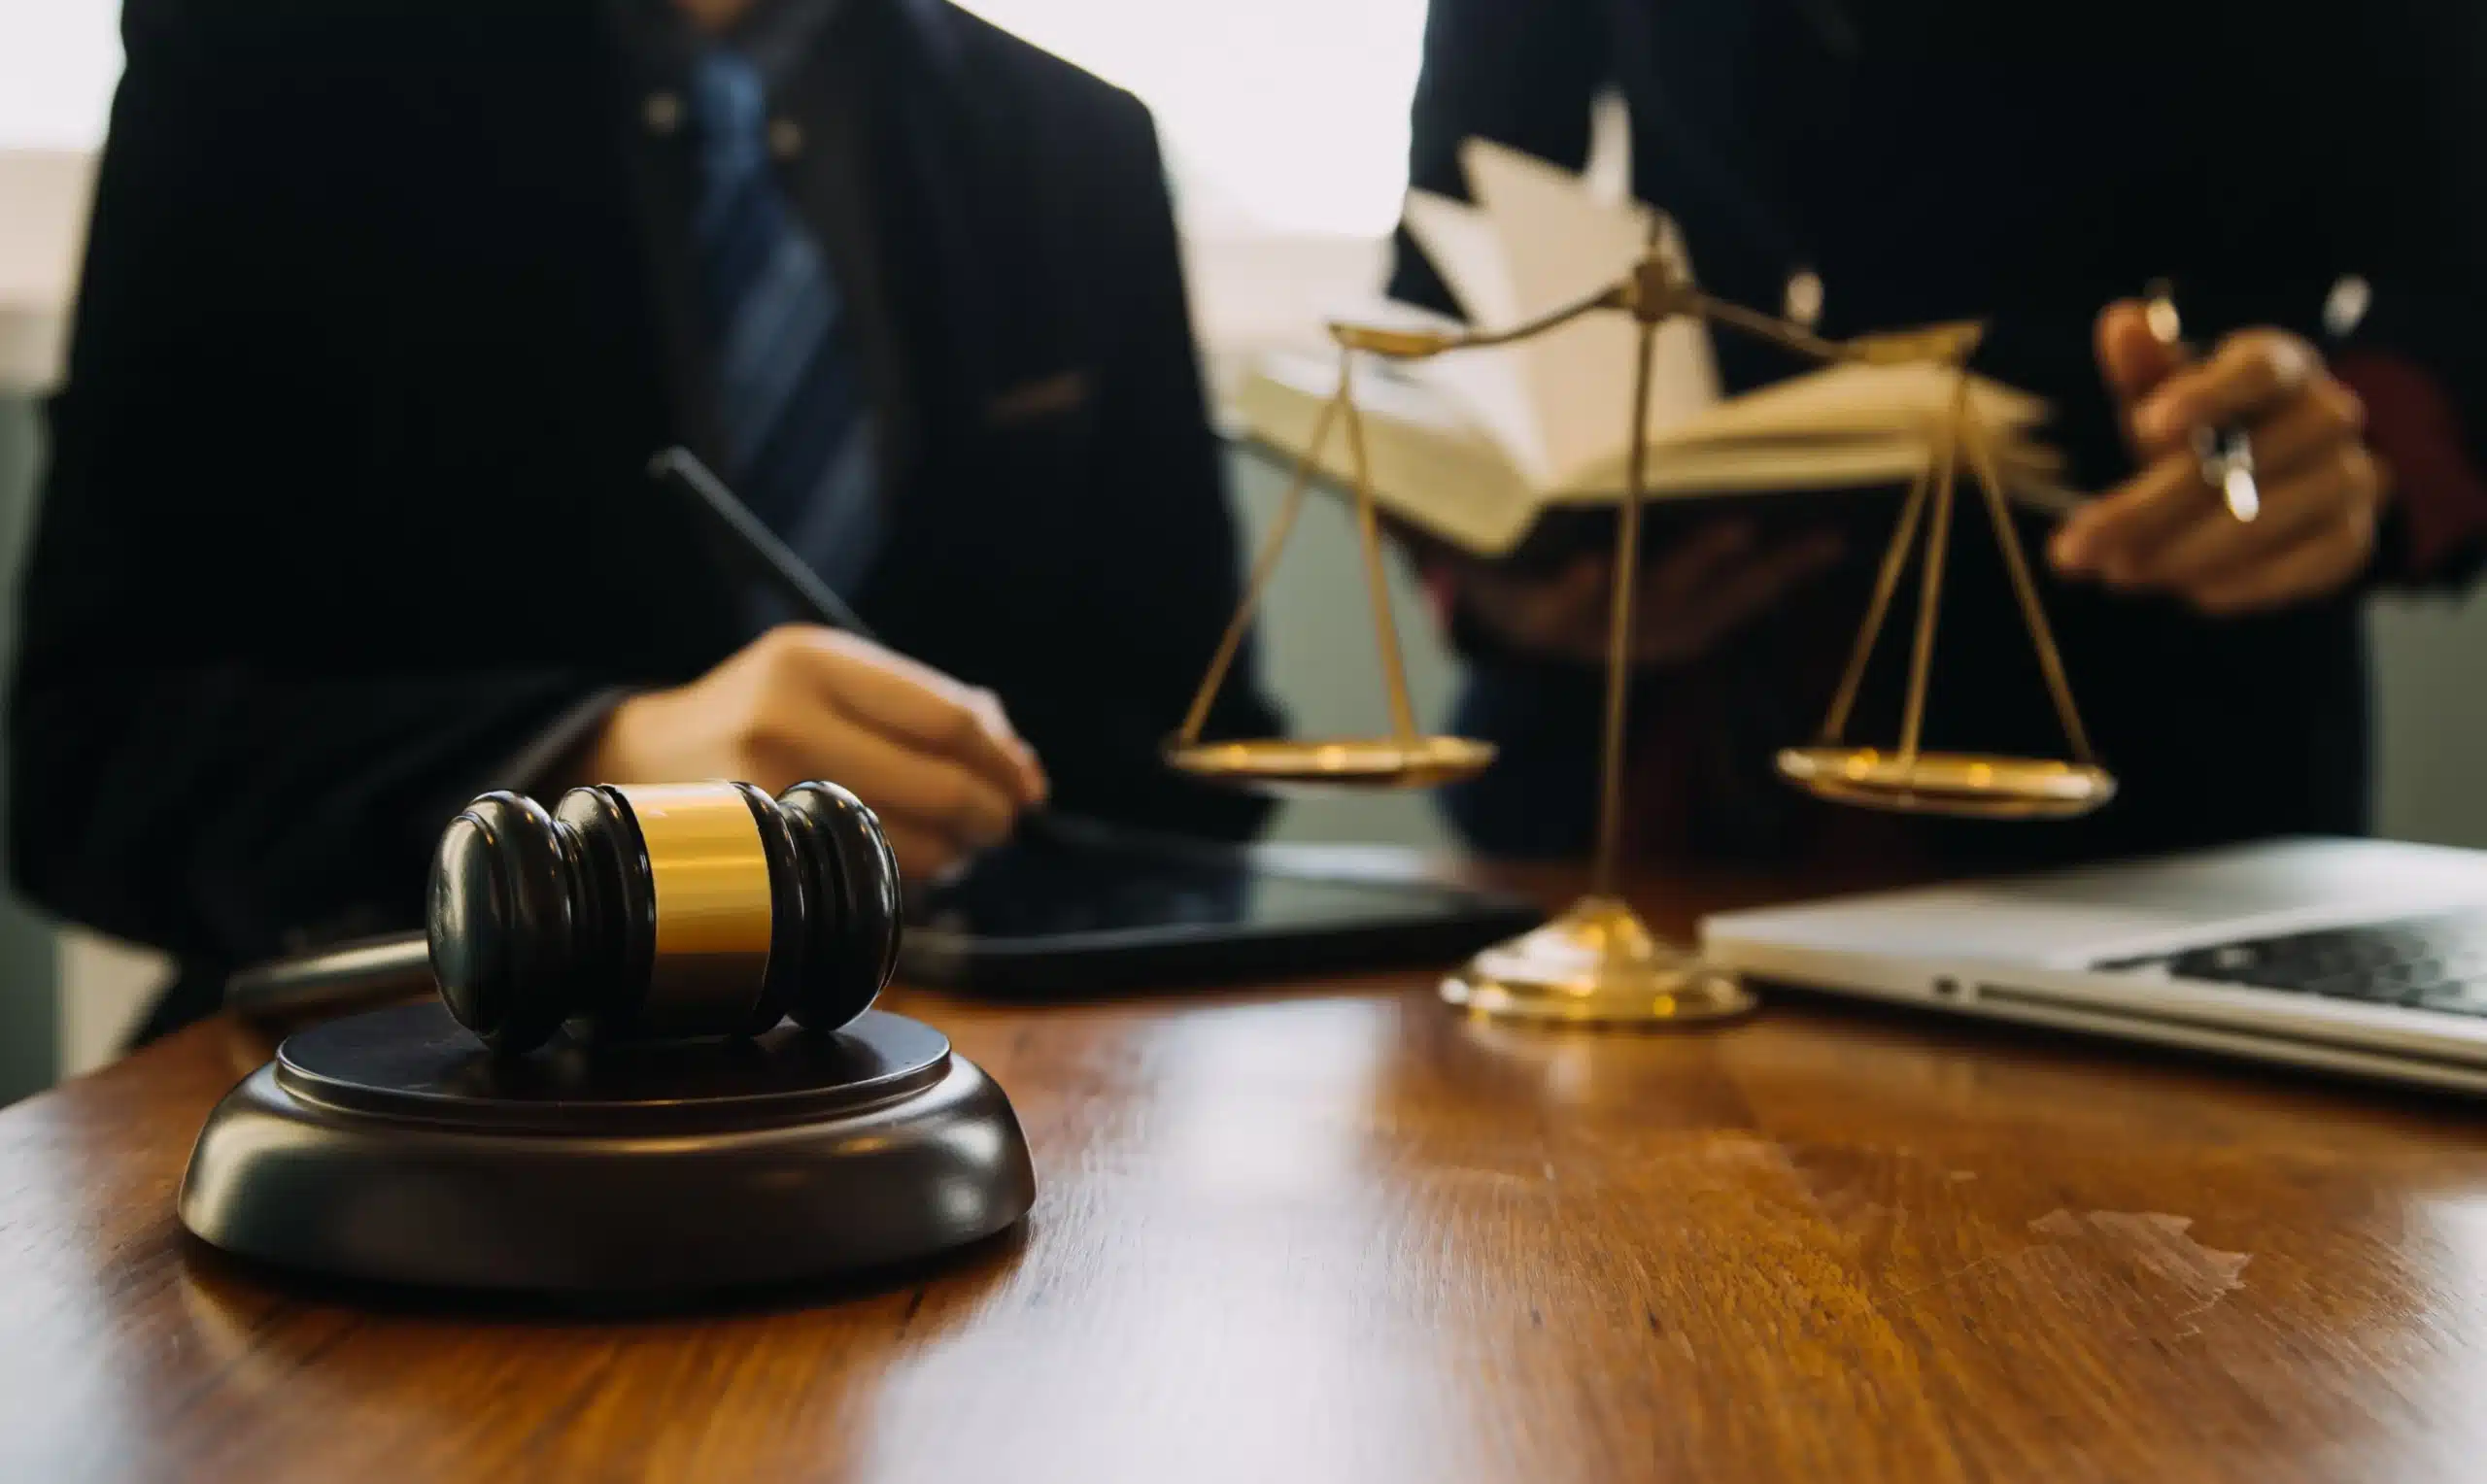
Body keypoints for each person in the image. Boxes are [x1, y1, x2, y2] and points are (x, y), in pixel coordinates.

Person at [9, 0, 1281, 1040]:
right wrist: (592, 763)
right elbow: (88, 768)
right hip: (431, 1085)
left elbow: (1198, 753)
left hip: (975, 1075)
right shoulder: (256, 68)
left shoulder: (1074, 144)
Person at [1389, 0, 2487, 871]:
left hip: (2149, 768)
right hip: (1662, 773)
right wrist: (1502, 573)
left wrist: (2362, 456)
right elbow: (1453, 253)